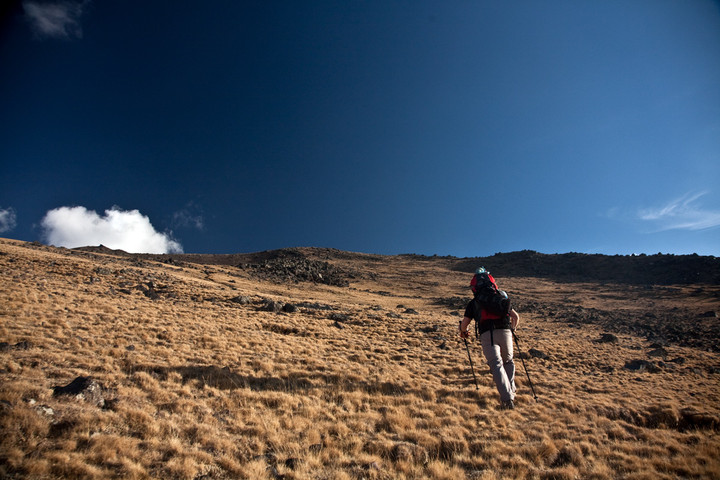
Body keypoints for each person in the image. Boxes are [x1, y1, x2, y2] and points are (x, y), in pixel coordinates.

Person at [459, 267, 520, 410]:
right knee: (508, 362)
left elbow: (465, 324)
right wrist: (513, 329)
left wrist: (463, 331)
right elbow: (516, 317)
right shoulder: (501, 296)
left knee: (496, 365)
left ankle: (507, 400)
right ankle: (510, 392)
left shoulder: (474, 303)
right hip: (505, 332)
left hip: (487, 334)